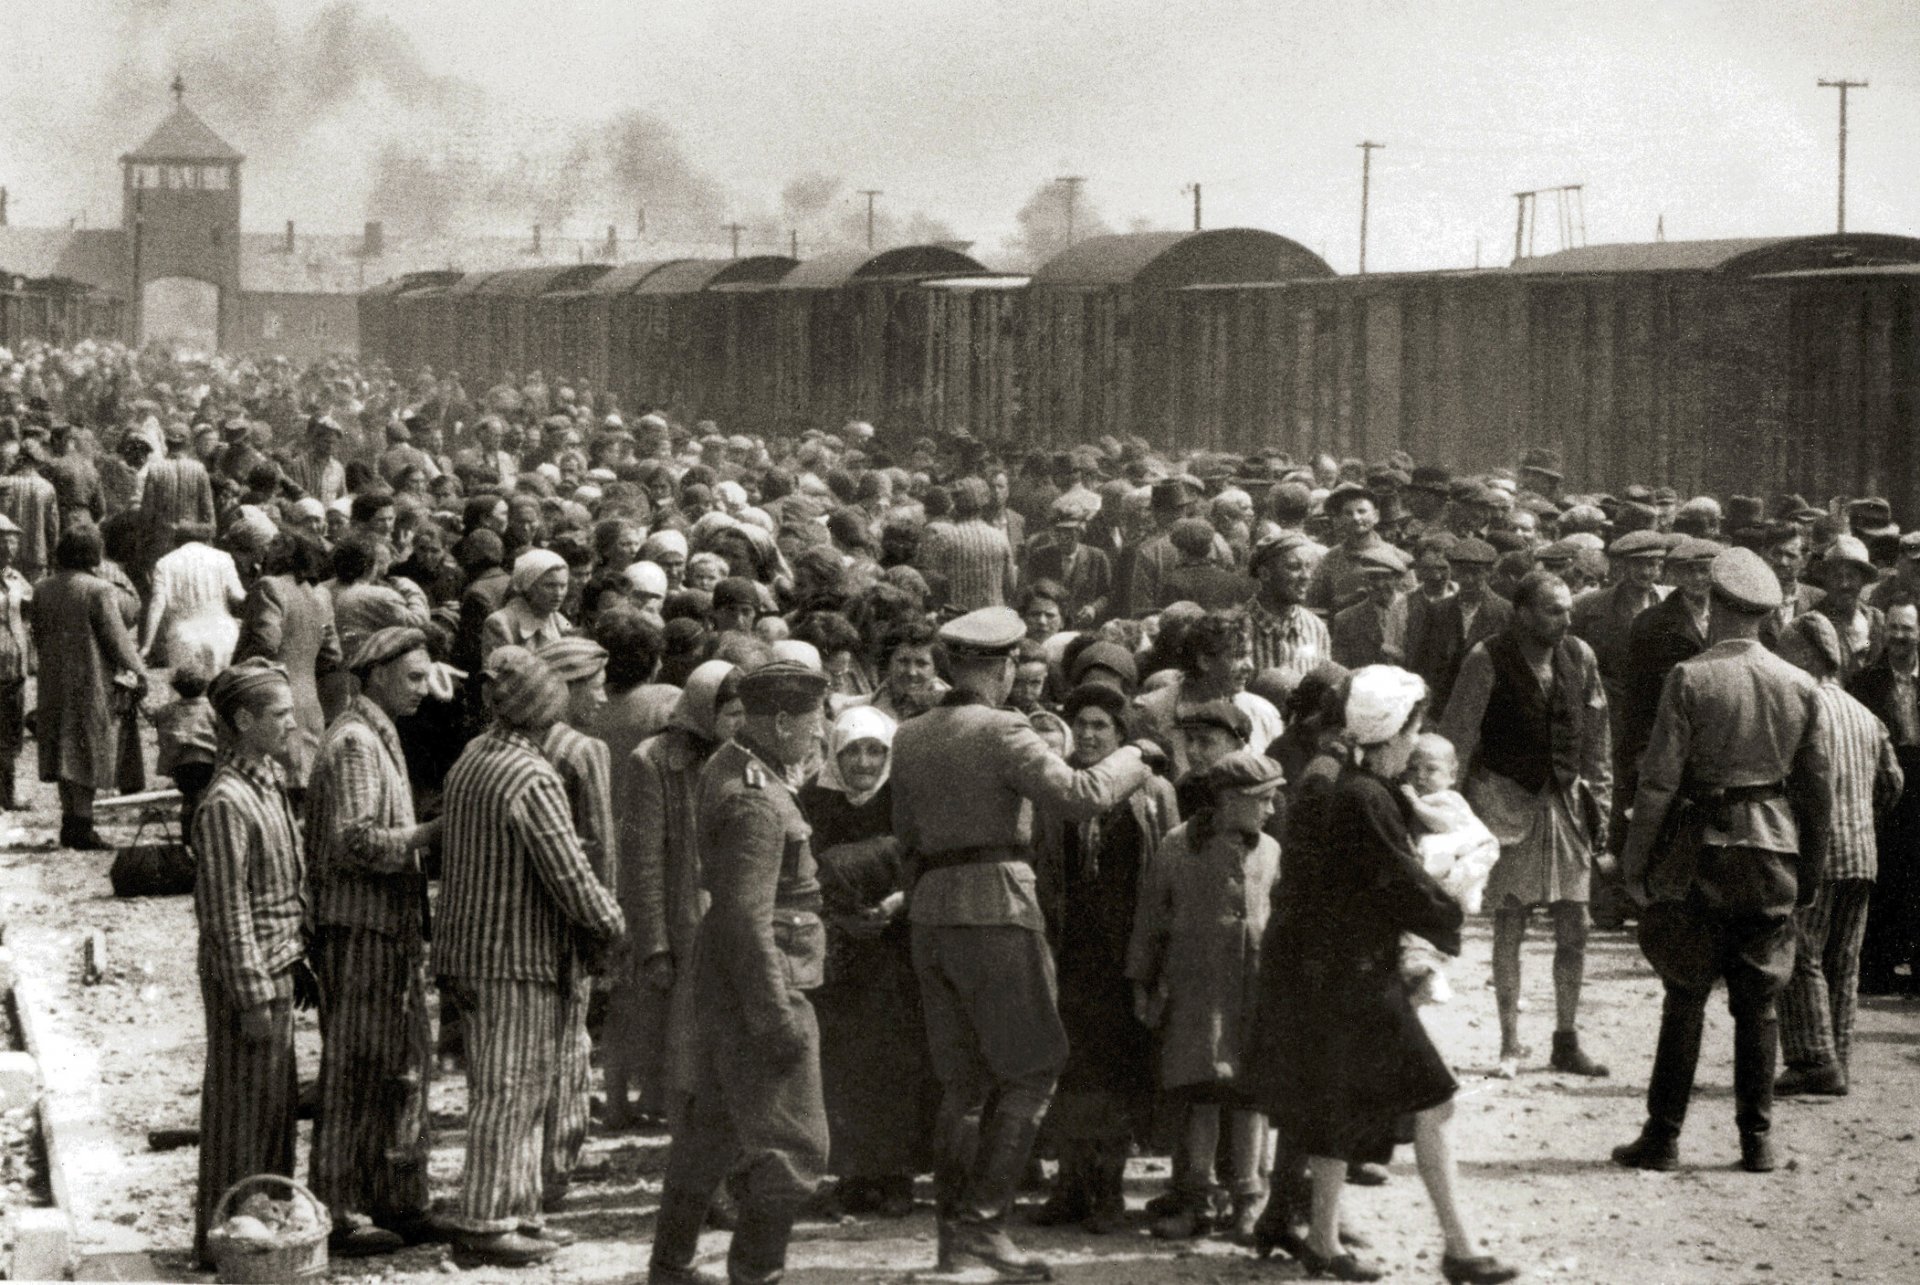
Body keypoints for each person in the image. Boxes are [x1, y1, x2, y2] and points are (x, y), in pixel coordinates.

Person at [890, 606, 1155, 1282]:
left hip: (932, 913)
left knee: (963, 1084)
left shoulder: (911, 734)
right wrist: (1136, 755)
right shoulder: (1005, 728)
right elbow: (1081, 793)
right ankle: (982, 1229)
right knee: (1034, 1066)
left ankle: (957, 1242)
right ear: (1005, 666)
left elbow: (908, 836)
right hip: (998, 909)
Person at [1249, 665, 1517, 1284]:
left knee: (1336, 1103)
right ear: (1395, 728)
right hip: (1357, 978)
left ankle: (1320, 1239)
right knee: (1437, 1100)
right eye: (1414, 727)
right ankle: (1459, 1249)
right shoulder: (1366, 796)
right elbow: (1403, 883)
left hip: (1321, 973)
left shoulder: (1336, 780)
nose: (1414, 741)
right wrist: (1450, 907)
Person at [1614, 548, 1832, 1176]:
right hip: (1773, 852)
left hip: (1698, 852)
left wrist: (1634, 864)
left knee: (1684, 995)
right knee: (1758, 1004)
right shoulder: (1799, 685)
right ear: (1764, 616)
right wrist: (1809, 873)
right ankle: (1756, 1140)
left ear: (1716, 607)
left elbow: (1656, 785)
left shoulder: (1689, 677)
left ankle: (1663, 1136)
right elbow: (1816, 792)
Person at [435, 646, 625, 1266]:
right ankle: (489, 1219)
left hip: (467, 949)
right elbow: (568, 873)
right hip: (515, 957)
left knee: (504, 1086)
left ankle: (516, 1210)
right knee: (511, 1092)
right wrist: (610, 922)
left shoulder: (472, 758)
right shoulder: (531, 775)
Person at [647, 661, 832, 1285]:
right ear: (780, 721)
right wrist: (775, 1015)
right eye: (813, 720)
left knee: (712, 1132)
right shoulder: (756, 797)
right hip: (764, 982)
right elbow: (746, 919)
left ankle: (670, 1268)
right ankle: (757, 1275)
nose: (820, 732)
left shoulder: (736, 764)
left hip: (733, 984)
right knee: (795, 1149)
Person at [1439, 571, 1613, 1079]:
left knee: (1575, 924)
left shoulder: (1580, 656)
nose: (1565, 620)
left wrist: (1599, 801)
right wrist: (1454, 818)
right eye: (1552, 611)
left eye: (1567, 611)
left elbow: (1598, 738)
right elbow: (1457, 738)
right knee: (1510, 924)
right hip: (1507, 805)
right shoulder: (1485, 659)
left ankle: (1565, 1038)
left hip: (1564, 805)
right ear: (1522, 612)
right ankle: (1510, 1045)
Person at [305, 628, 442, 1254]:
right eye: (414, 677)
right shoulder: (356, 743)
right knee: (353, 1072)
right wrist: (430, 835)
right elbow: (356, 840)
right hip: (358, 929)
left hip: (383, 928)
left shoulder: (377, 732)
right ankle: (336, 1208)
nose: (425, 688)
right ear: (378, 673)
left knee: (390, 1070)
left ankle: (387, 1195)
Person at [1031, 683, 1177, 1236]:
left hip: (1125, 950)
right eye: (1083, 725)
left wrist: (1154, 959)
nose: (1090, 735)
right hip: (1073, 949)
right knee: (1070, 1070)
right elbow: (1045, 867)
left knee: (1118, 1072)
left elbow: (1165, 873)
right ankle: (1070, 1185)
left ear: (1122, 737)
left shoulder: (1153, 791)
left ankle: (1109, 1191)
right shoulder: (1060, 791)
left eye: (1102, 727)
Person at [1127, 750, 1282, 1242]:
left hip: (1254, 993)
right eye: (1265, 800)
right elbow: (1150, 916)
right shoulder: (1179, 846)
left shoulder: (1271, 851)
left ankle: (1249, 1200)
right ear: (1231, 800)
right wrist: (1142, 981)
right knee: (1201, 1096)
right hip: (1197, 994)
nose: (1272, 810)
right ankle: (1197, 1196)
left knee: (1250, 1097)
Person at [191, 661, 314, 1267]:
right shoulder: (225, 803)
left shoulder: (265, 780)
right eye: (280, 715)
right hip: (252, 980)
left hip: (278, 967)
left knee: (271, 1110)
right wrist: (253, 996)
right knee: (240, 1114)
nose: (292, 724)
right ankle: (225, 1242)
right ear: (243, 721)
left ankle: (260, 1231)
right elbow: (226, 912)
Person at [797, 705, 935, 1220]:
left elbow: (923, 861)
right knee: (847, 1065)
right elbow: (804, 870)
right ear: (835, 752)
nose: (863, 760)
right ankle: (854, 1174)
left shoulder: (906, 800)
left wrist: (898, 903)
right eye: (852, 749)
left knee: (899, 1063)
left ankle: (897, 1175)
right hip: (843, 954)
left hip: (899, 950)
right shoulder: (814, 800)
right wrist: (842, 916)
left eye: (875, 749)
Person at [611, 662, 744, 1130]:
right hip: (681, 917)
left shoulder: (742, 760)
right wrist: (654, 943)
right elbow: (642, 862)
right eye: (730, 714)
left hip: (727, 914)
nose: (738, 725)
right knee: (677, 1029)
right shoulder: (653, 761)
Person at [1774, 612, 1901, 1094]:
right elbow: (1894, 782)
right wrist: (1865, 817)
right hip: (1862, 852)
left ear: (1807, 654)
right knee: (1844, 960)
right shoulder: (1864, 713)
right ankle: (1838, 1058)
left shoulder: (1800, 706)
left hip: (1816, 852)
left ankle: (1811, 1060)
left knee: (1799, 950)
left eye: (1787, 650)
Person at [532, 635, 616, 1209]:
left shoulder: (521, 742)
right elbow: (603, 846)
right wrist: (606, 923)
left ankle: (542, 1161)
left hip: (532, 912)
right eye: (595, 686)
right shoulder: (582, 749)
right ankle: (557, 1164)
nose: (604, 698)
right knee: (571, 1040)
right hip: (577, 909)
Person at [30, 524, 146, 849]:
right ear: (93, 553)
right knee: (87, 748)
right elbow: (117, 640)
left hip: (53, 679)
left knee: (62, 748)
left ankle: (71, 822)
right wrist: (139, 671)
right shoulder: (98, 589)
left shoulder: (42, 588)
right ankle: (82, 827)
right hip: (89, 678)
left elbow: (37, 634)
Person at [1842, 599, 1920, 996]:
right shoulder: (1865, 682)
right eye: (1893, 629)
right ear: (1882, 632)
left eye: (1907, 628)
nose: (1900, 637)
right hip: (1885, 792)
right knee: (1886, 875)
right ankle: (1877, 966)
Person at [236, 533, 343, 789]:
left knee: (264, 784)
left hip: (271, 701)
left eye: (273, 546)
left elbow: (266, 643)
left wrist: (237, 671)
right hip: (308, 702)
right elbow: (333, 654)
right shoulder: (321, 595)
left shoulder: (269, 586)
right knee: (301, 785)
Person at [1404, 537, 1507, 717]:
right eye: (1461, 572)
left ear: (1489, 572)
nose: (1468, 579)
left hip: (1489, 711)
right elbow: (1421, 663)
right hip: (1443, 710)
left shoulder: (1505, 613)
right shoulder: (1437, 611)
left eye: (1476, 573)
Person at [142, 521, 247, 672]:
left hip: (184, 637)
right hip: (222, 634)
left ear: (176, 541)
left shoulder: (164, 563)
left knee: (186, 691)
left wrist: (147, 645)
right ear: (207, 540)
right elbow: (238, 595)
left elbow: (157, 605)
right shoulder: (223, 558)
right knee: (223, 690)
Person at [1245, 532, 1330, 690]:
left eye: (1308, 566)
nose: (1306, 576)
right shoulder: (1236, 628)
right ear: (1265, 574)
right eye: (1294, 567)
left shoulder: (1316, 628)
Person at [482, 548, 571, 661]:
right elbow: (499, 674)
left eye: (563, 586)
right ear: (528, 586)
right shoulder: (501, 624)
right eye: (549, 586)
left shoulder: (561, 622)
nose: (558, 593)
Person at [0, 515, 31, 810]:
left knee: (10, 731)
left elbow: (34, 605)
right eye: (3, 538)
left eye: (13, 539)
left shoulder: (15, 578)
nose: (9, 545)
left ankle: (7, 794)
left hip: (13, 662)